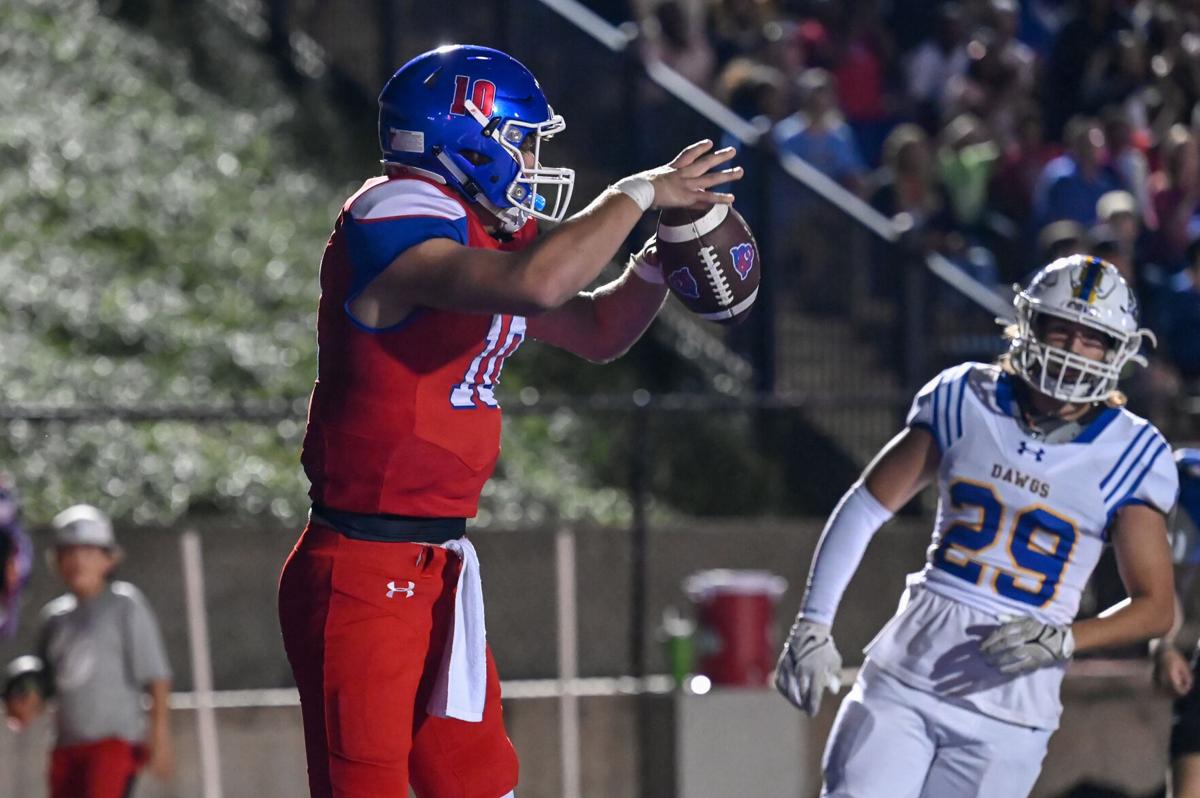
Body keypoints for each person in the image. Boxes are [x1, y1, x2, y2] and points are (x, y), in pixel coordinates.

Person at [276, 44, 742, 798]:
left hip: (439, 567)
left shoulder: (485, 230)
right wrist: (639, 191)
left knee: (482, 785)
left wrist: (660, 260)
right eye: (521, 140)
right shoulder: (395, 211)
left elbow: (595, 330)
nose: (529, 161)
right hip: (362, 571)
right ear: (465, 140)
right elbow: (540, 282)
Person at [775, 254, 1178, 797]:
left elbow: (1155, 606)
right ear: (1029, 326)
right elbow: (866, 506)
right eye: (1061, 329)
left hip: (1012, 706)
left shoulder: (1132, 452)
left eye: (1091, 338)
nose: (1072, 351)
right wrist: (813, 620)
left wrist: (1066, 639)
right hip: (908, 672)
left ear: (1117, 351)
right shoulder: (967, 397)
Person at [3, 504, 174, 798]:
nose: (78, 560)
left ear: (108, 558)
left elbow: (156, 677)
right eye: (68, 552)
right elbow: (45, 686)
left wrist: (159, 739)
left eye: (88, 551)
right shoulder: (54, 618)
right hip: (66, 745)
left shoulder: (125, 605)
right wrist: (24, 701)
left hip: (113, 744)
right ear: (56, 560)